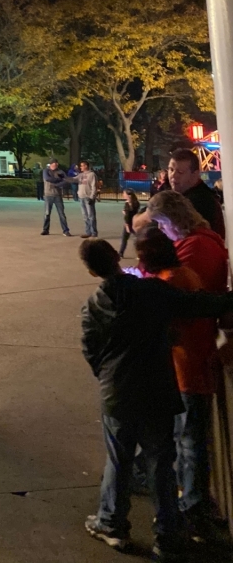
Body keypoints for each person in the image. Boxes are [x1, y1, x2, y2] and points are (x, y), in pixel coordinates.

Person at [79, 237, 233, 559]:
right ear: (116, 256)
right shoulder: (151, 292)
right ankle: (168, 534)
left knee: (119, 460)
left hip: (118, 394)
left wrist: (108, 375)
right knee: (161, 462)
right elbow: (198, 304)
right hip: (157, 390)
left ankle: (112, 523)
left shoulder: (94, 305)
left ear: (92, 271)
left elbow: (90, 350)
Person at [133, 227, 227, 545]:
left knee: (189, 443)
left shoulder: (170, 283)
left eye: (141, 254)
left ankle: (193, 507)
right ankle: (194, 504)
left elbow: (165, 328)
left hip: (186, 371)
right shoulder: (183, 274)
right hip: (193, 367)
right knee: (189, 440)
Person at [167, 149, 225, 239]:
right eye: (171, 169)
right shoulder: (177, 193)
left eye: (180, 172)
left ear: (195, 174)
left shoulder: (201, 201)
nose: (173, 175)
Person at [40, 159, 72, 236]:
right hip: (48, 194)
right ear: (50, 164)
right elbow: (47, 178)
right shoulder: (46, 171)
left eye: (56, 164)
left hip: (58, 195)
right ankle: (45, 229)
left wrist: (57, 184)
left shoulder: (60, 172)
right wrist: (58, 179)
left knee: (61, 213)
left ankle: (65, 230)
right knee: (47, 213)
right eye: (53, 164)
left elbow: (65, 180)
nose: (55, 166)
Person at [70, 160, 98, 237]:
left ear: (86, 166)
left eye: (82, 165)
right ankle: (88, 232)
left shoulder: (92, 175)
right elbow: (73, 179)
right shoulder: (80, 175)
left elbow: (94, 186)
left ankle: (94, 232)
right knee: (85, 216)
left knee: (91, 216)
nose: (80, 167)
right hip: (81, 197)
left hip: (88, 197)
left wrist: (92, 197)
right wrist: (63, 177)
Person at [119, 189, 140, 259]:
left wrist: (127, 225)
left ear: (128, 195)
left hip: (131, 223)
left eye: (124, 194)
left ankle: (121, 253)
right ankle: (121, 253)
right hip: (133, 222)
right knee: (133, 239)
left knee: (131, 239)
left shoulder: (130, 204)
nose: (123, 195)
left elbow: (128, 215)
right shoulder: (134, 203)